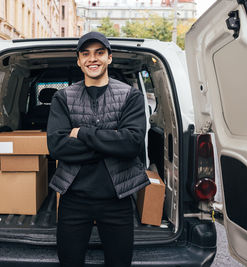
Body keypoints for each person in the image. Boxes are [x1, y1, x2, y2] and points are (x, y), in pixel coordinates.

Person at [47, 31, 149, 267]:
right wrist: (113, 142)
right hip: (74, 199)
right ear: (79, 61)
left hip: (117, 198)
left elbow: (132, 144)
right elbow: (57, 147)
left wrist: (82, 133)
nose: (93, 59)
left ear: (109, 58)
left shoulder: (130, 96)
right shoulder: (63, 97)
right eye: (86, 54)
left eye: (99, 53)